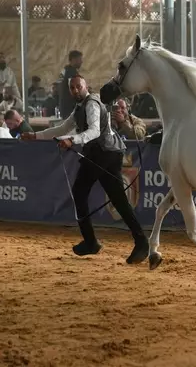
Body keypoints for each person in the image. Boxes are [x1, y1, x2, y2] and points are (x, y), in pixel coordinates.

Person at [24, 75, 149, 263]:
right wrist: (35, 136)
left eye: (78, 87)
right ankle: (140, 243)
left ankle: (92, 242)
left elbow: (94, 132)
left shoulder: (91, 104)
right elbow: (61, 128)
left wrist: (71, 140)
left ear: (85, 87)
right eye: (72, 88)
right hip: (107, 153)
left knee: (80, 192)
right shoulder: (79, 107)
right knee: (117, 199)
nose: (75, 90)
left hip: (104, 153)